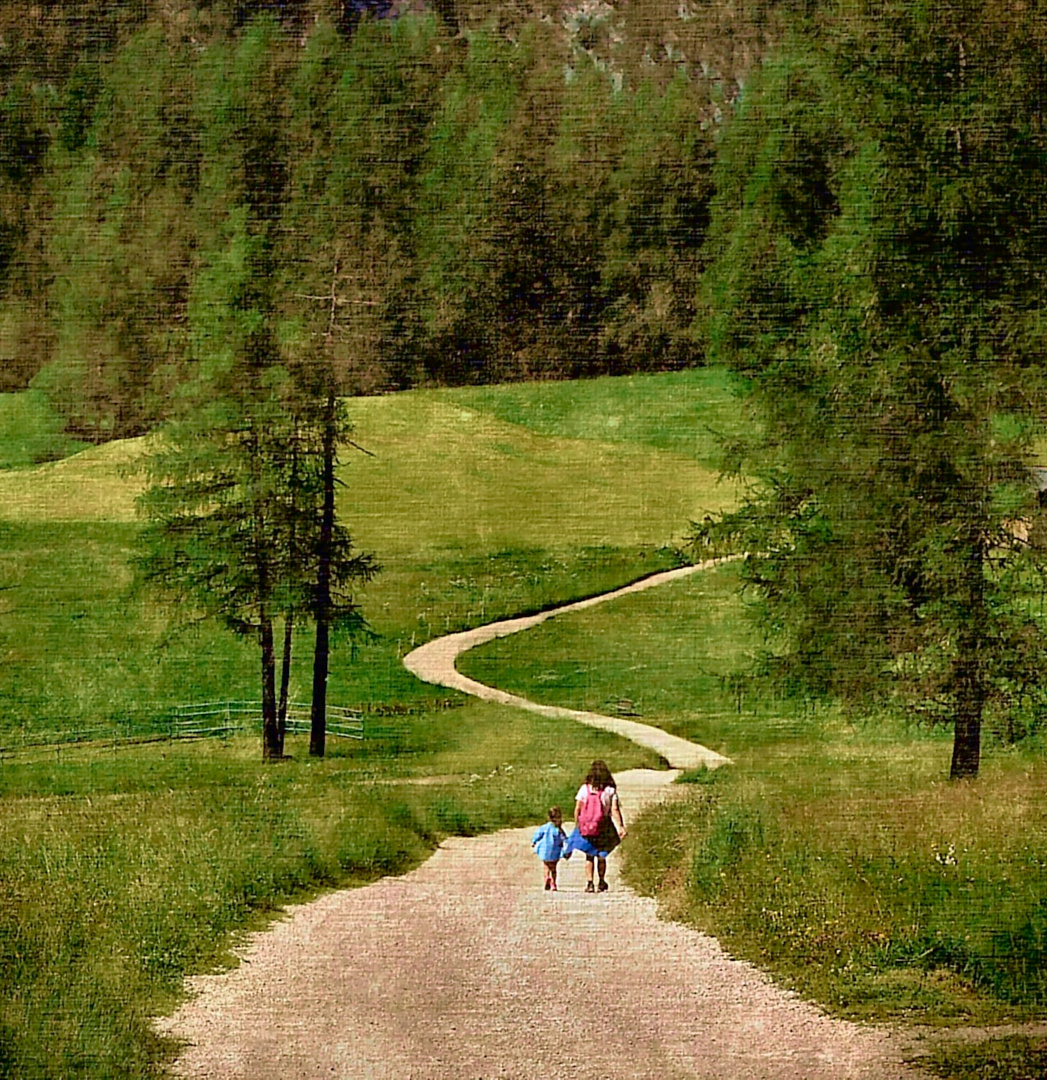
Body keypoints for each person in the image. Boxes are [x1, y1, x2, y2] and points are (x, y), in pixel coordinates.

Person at [567, 759, 627, 893]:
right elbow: (614, 810)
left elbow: (578, 808)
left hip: (587, 826)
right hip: (604, 826)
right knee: (601, 855)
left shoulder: (585, 788)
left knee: (589, 856)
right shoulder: (610, 791)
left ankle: (589, 883)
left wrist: (578, 824)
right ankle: (601, 881)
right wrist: (621, 826)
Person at [531, 805, 570, 890]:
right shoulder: (559, 830)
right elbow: (565, 840)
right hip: (555, 851)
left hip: (545, 850)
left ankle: (546, 878)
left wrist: (534, 841)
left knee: (546, 866)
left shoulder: (545, 827)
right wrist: (567, 850)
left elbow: (538, 834)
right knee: (553, 867)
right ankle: (553, 883)